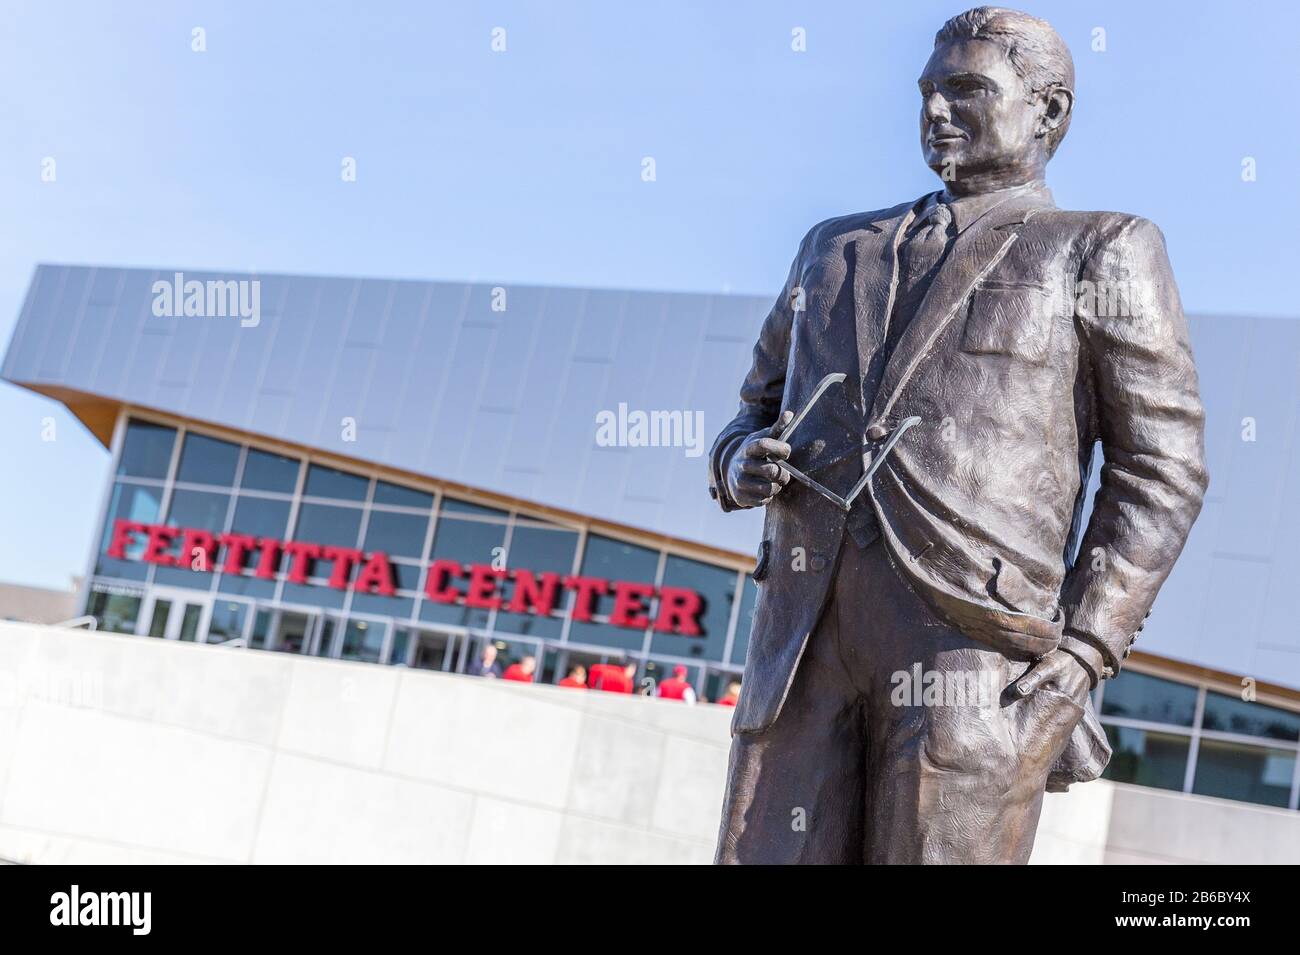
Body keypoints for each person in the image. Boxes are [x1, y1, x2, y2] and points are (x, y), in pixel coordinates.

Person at [709, 7, 1206, 864]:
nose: (936, 112)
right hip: (803, 642)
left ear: (1048, 111)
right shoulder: (832, 251)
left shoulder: (1100, 249)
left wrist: (1087, 648)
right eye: (929, 93)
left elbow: (1161, 469)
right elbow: (751, 408)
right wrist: (736, 460)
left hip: (977, 654)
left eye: (968, 90)